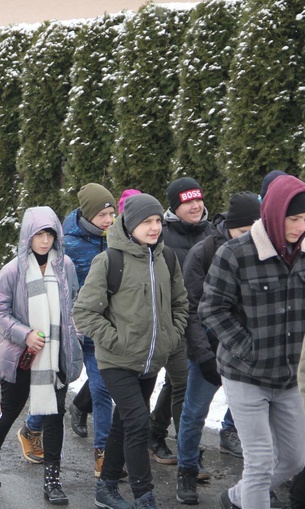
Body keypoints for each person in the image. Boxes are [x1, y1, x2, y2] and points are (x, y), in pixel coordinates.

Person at [199, 175, 305, 509]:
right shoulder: (235, 253)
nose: (301, 226)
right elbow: (211, 309)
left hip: (291, 378)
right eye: (293, 218)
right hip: (245, 375)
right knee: (259, 462)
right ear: (273, 213)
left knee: (295, 460)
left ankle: (235, 498)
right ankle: (250, 495)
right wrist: (248, 348)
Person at [75, 193, 189, 509]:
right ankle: (144, 495)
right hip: (116, 360)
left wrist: (171, 336)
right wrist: (116, 340)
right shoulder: (110, 261)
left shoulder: (167, 259)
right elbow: (84, 312)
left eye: (157, 221)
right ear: (130, 224)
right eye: (146, 222)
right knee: (138, 422)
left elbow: (181, 304)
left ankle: (106, 486)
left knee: (124, 423)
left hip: (150, 361)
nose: (154, 228)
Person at [19, 183, 118, 478]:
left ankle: (103, 453)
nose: (109, 220)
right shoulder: (67, 245)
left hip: (102, 329)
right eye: (103, 214)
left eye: (112, 213)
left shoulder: (115, 239)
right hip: (71, 330)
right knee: (56, 386)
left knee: (102, 390)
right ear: (88, 215)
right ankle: (31, 428)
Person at [0, 206, 83, 505]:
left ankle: (52, 480)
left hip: (56, 356)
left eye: (50, 234)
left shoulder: (64, 265)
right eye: (39, 234)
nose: (44, 241)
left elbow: (74, 305)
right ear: (28, 236)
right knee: (8, 410)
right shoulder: (12, 270)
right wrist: (24, 334)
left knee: (55, 417)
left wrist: (72, 337)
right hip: (21, 356)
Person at [175, 191, 260, 505]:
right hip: (209, 346)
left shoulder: (267, 248)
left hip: (249, 350)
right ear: (230, 228)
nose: (250, 239)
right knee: (194, 412)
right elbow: (192, 308)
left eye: (256, 231)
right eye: (243, 233)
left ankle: (259, 482)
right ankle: (186, 470)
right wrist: (204, 355)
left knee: (255, 419)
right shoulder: (205, 252)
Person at [148, 177, 216, 465]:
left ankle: (156, 431)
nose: (196, 206)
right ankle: (188, 454)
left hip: (204, 320)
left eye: (199, 200)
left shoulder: (211, 233)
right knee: (182, 381)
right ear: (176, 206)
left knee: (179, 382)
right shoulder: (162, 235)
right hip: (172, 319)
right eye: (189, 201)